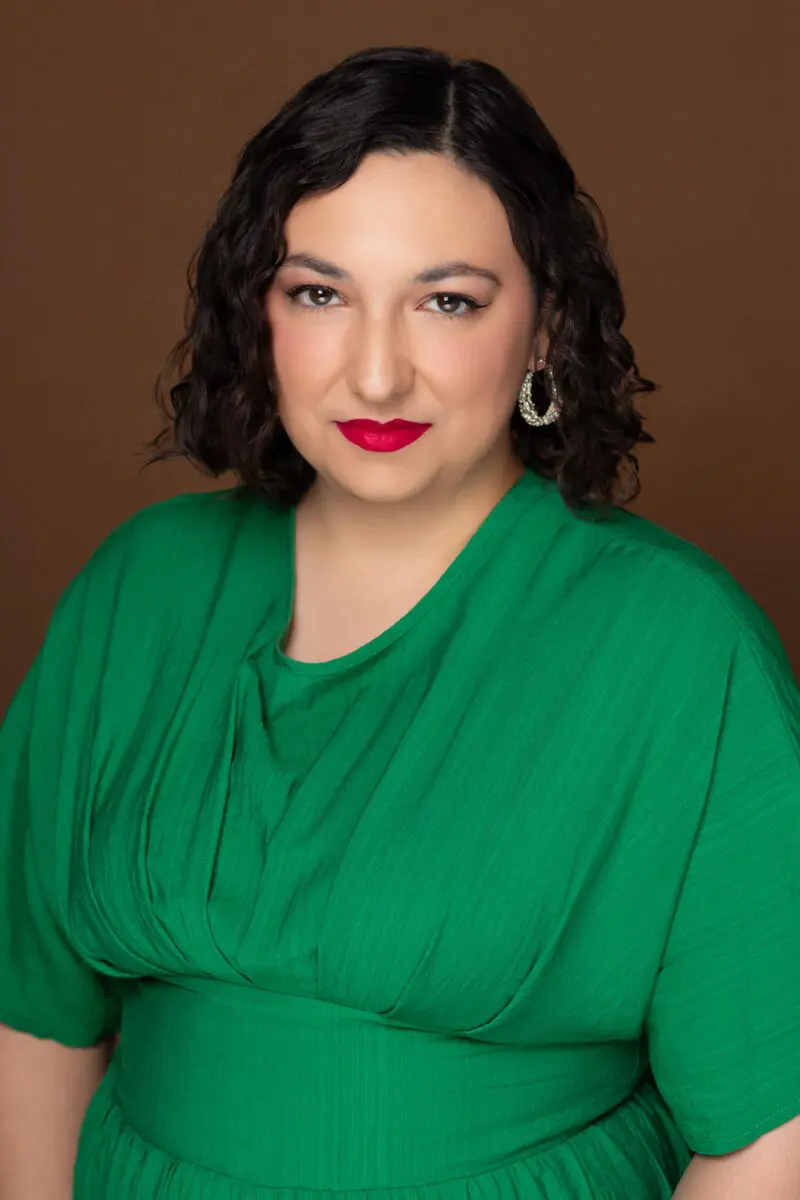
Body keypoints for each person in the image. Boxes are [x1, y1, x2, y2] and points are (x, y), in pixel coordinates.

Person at [1, 43, 799, 1200]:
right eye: (318, 294)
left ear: (541, 329)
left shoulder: (676, 644)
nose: (376, 375)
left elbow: (772, 1131)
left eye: (446, 302)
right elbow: (31, 1015)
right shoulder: (137, 588)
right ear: (259, 313)